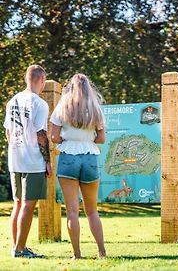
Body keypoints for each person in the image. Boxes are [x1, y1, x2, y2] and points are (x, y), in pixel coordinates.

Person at [50, 73, 106, 259]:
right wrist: (88, 137)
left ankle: (77, 254)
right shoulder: (95, 107)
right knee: (92, 211)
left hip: (68, 157)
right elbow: (102, 139)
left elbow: (54, 137)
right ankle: (102, 252)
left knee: (72, 211)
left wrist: (67, 137)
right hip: (90, 157)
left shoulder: (63, 105)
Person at [4, 65, 52, 258]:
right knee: (28, 205)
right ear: (41, 80)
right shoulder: (39, 103)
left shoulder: (12, 101)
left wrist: (17, 149)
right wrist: (47, 160)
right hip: (33, 161)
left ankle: (17, 246)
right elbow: (41, 134)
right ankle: (20, 249)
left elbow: (8, 131)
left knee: (17, 204)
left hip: (15, 159)